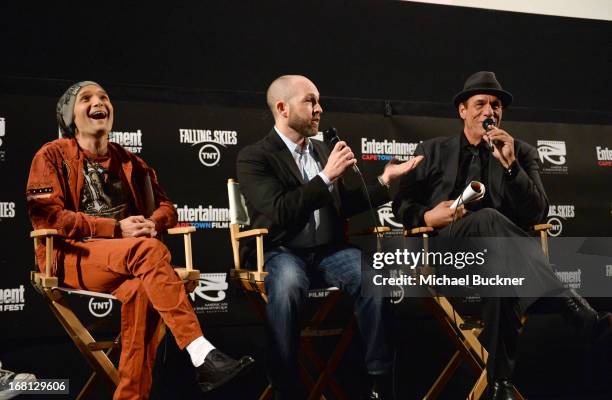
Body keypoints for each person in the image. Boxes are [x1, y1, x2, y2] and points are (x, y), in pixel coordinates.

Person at [26, 81, 254, 400]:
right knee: (148, 250)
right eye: (86, 98)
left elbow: (167, 209)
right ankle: (201, 352)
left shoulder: (131, 161)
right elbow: (46, 218)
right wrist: (116, 230)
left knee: (142, 291)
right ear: (69, 116)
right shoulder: (49, 156)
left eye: (104, 97)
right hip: (68, 256)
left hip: (126, 260)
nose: (98, 102)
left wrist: (151, 221)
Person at [392, 71, 611, 400]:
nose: (489, 111)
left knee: (501, 274)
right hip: (448, 256)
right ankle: (565, 299)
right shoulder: (432, 151)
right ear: (462, 110)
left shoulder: (520, 153)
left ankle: (499, 386)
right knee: (490, 221)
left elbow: (538, 214)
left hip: (503, 264)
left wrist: (511, 168)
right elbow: (400, 205)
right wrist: (427, 215)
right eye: (480, 103)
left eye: (496, 105)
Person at [236, 75, 423, 399]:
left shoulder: (322, 150)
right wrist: (326, 177)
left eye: (319, 100)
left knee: (373, 279)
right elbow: (280, 210)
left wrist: (384, 179)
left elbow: (341, 206)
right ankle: (285, 387)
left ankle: (380, 382)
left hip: (329, 251)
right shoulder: (255, 157)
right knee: (288, 285)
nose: (319, 109)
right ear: (282, 108)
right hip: (281, 251)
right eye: (310, 101)